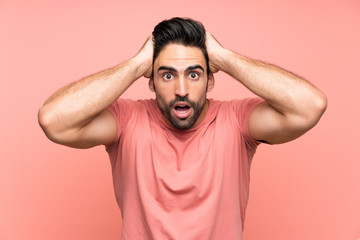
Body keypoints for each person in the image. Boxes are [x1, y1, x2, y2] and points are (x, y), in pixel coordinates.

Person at [38, 17, 327, 239]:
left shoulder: (236, 120)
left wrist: (225, 58)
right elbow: (54, 120)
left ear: (210, 80)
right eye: (166, 75)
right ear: (150, 80)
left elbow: (310, 106)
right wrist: (136, 63)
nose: (181, 89)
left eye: (194, 74)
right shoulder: (128, 120)